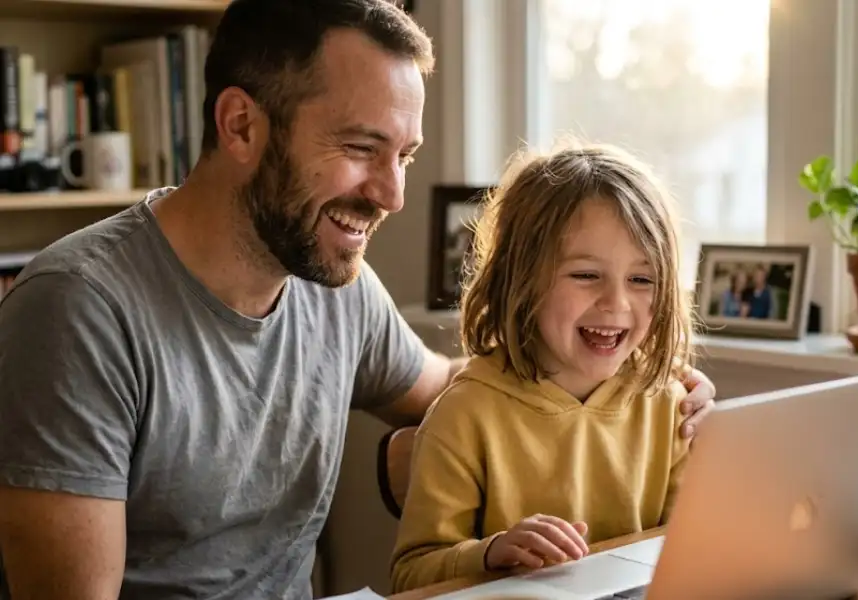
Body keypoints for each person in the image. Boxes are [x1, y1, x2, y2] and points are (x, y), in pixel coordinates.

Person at [0, 2, 717, 599]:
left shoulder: (331, 285)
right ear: (241, 125)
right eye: (361, 147)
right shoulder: (79, 310)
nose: (393, 194)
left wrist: (671, 392)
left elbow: (470, 391)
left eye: (403, 156)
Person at [390, 143, 698, 593]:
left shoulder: (671, 405)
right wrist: (490, 553)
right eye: (586, 275)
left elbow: (691, 550)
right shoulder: (465, 414)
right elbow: (409, 577)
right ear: (522, 277)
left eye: (642, 279)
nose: (616, 303)